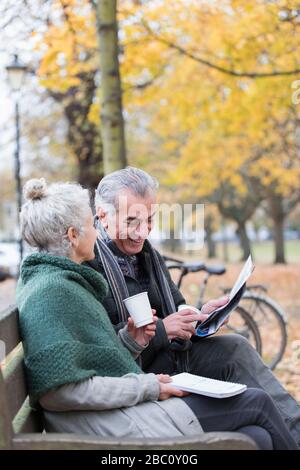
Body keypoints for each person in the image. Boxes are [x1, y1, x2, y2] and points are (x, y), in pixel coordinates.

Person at [16, 178, 298, 450]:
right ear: (75, 234)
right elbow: (63, 389)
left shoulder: (72, 279)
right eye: (93, 224)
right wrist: (151, 373)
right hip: (127, 402)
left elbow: (98, 351)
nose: (143, 231)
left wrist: (195, 317)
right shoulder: (65, 284)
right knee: (256, 407)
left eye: (149, 219)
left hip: (134, 389)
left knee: (255, 430)